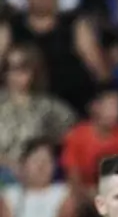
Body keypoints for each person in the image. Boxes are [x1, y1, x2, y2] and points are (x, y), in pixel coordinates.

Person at [0, 43, 75, 173]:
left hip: (38, 174)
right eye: (9, 68)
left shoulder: (49, 107)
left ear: (34, 71)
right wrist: (10, 165)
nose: (14, 74)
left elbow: (73, 136)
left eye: (22, 68)